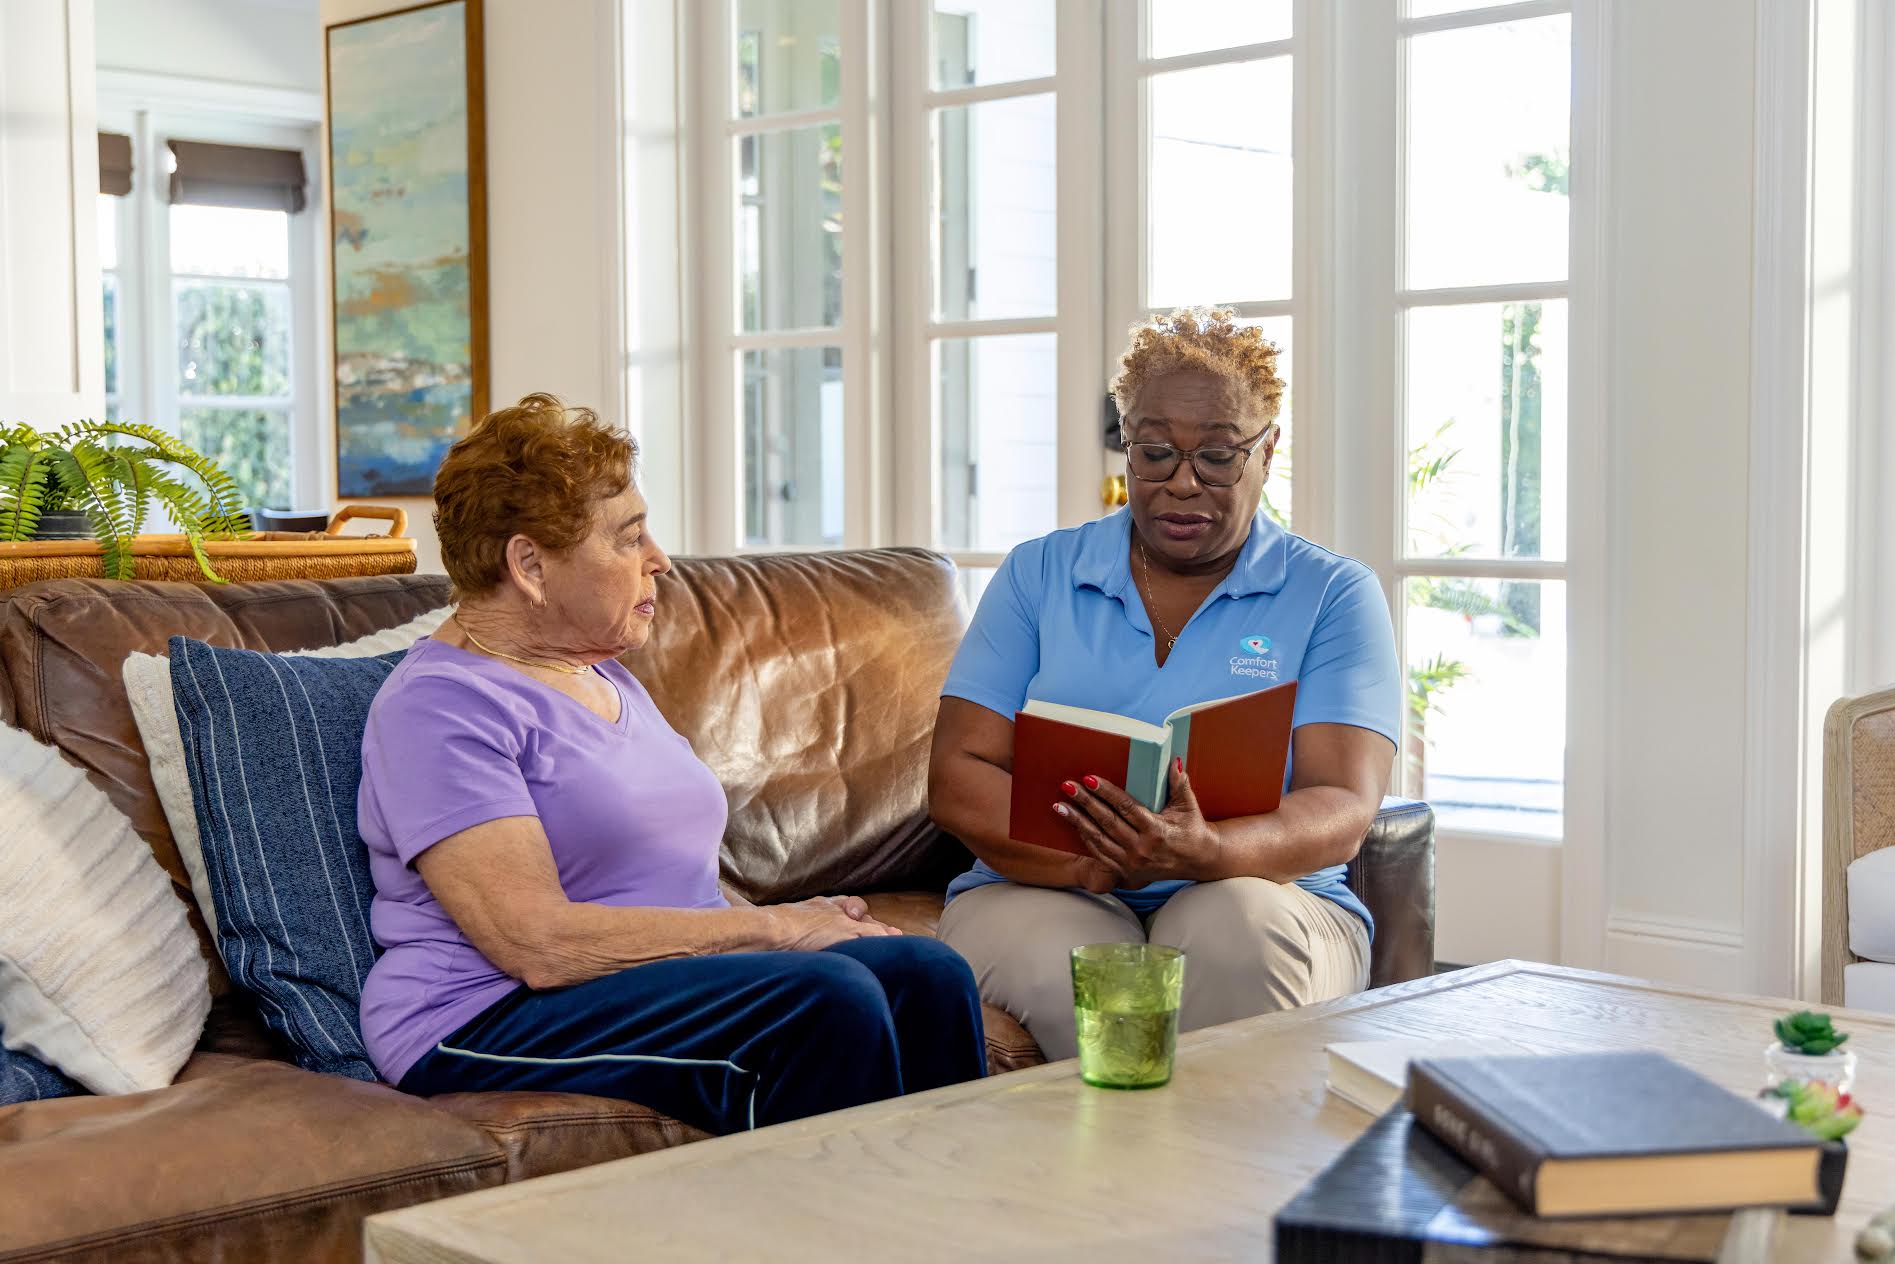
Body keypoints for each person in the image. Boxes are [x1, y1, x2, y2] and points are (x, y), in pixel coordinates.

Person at [358, 393, 986, 1133]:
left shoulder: (599, 671)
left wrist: (804, 925)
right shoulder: (441, 707)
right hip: (483, 1015)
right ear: (529, 564)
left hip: (648, 976)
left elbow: (671, 881)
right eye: (628, 539)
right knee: (826, 999)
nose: (658, 559)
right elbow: (537, 944)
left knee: (926, 972)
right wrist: (776, 932)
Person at [928, 308, 1400, 1061]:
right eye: (1154, 453)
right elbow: (958, 775)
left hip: (1270, 893)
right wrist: (1097, 863)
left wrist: (1206, 851)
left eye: (1217, 456)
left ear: (1267, 450)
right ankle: (1119, 1174)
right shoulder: (1037, 573)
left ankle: (1223, 1174)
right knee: (1064, 963)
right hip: (1045, 887)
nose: (1182, 484)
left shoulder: (1332, 592)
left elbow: (1341, 805)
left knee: (1232, 928)